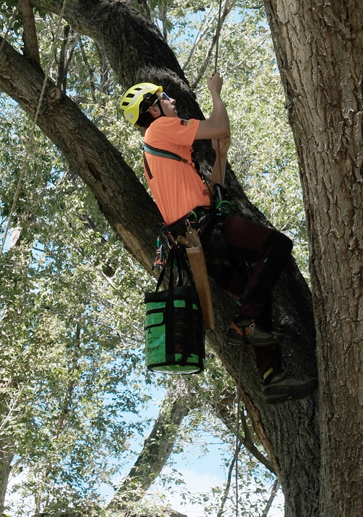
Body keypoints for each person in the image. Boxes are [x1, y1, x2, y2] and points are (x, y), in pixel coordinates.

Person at [120, 73, 316, 403]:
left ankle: (272, 376)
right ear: (152, 110)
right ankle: (243, 322)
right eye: (163, 97)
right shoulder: (160, 129)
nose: (171, 100)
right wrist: (215, 93)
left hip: (198, 238)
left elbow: (213, 188)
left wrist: (219, 155)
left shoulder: (168, 148)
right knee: (276, 245)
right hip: (203, 232)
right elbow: (220, 125)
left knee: (252, 292)